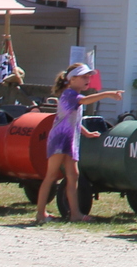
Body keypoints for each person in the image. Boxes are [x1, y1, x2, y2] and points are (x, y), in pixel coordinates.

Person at [35, 63, 119, 223]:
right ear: (72, 79)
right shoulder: (70, 94)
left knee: (73, 176)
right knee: (51, 176)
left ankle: (75, 214)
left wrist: (86, 133)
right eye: (83, 77)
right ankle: (40, 214)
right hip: (60, 140)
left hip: (70, 139)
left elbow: (72, 120)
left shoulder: (74, 95)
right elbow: (85, 101)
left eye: (88, 76)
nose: (88, 79)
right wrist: (107, 94)